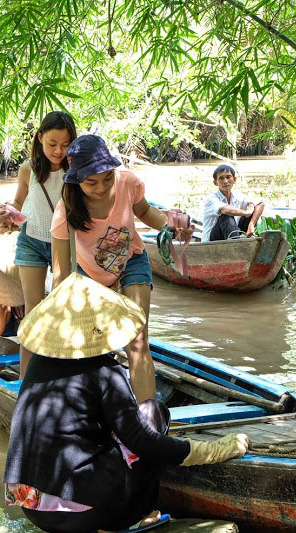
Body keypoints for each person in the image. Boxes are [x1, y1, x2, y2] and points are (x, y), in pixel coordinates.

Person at [4, 273, 250, 533]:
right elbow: (142, 440)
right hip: (87, 513)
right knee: (154, 413)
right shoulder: (106, 372)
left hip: (31, 508)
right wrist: (210, 451)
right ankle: (132, 515)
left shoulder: (38, 364)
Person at [51, 135, 193, 405]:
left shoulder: (127, 182)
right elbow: (60, 272)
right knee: (92, 347)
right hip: (90, 278)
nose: (102, 187)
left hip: (131, 261)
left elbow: (147, 212)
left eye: (107, 178)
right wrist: (59, 313)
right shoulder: (65, 212)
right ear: (75, 180)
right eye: (91, 182)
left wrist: (171, 226)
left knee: (137, 340)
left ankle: (148, 419)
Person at [0, 111, 77, 376]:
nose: (58, 151)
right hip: (31, 240)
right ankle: (27, 381)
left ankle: (62, 374)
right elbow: (20, 202)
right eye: (52, 144)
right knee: (32, 312)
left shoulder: (75, 169)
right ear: (40, 137)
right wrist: (6, 213)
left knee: (64, 308)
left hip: (64, 245)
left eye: (65, 145)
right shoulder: (28, 168)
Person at [201, 164, 265, 242]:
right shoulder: (211, 198)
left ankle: (241, 240)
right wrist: (246, 212)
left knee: (252, 211)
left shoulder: (237, 195)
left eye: (228, 177)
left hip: (231, 234)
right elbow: (225, 210)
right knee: (226, 216)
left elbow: (260, 204)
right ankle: (237, 246)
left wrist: (251, 223)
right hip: (212, 240)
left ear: (234, 179)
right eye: (221, 178)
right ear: (215, 182)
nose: (225, 181)